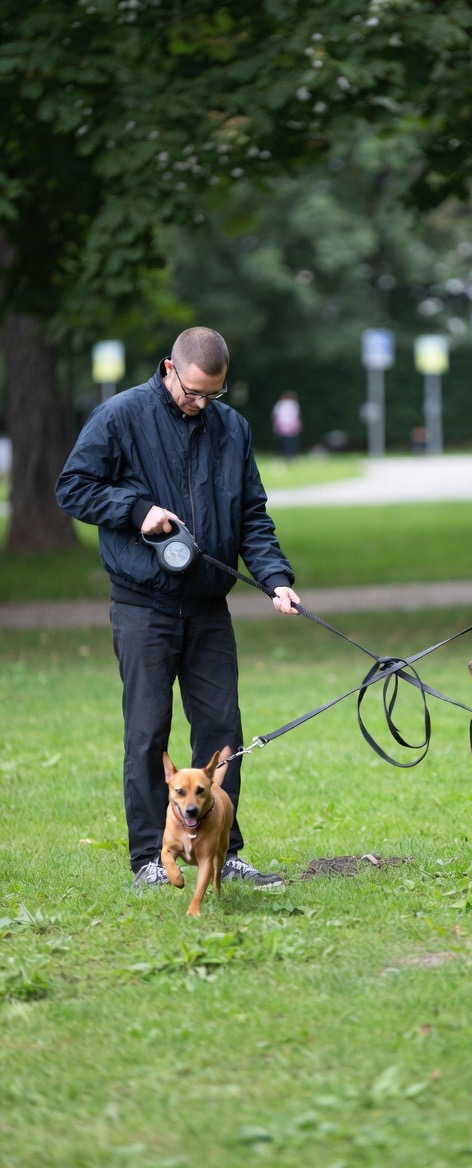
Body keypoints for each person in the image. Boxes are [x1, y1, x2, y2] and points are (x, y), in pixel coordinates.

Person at [56, 327, 301, 889]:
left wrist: (275, 578)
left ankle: (223, 852)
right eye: (193, 392)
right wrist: (133, 508)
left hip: (209, 609)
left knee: (222, 733)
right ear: (169, 368)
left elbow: (252, 515)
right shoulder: (120, 417)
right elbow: (72, 487)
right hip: (143, 606)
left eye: (213, 394)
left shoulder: (232, 428)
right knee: (148, 733)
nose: (202, 404)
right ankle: (151, 856)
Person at [271, 391, 302, 460]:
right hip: (291, 426)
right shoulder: (293, 404)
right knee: (291, 441)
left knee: (284, 441)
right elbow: (296, 415)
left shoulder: (280, 404)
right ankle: (291, 455)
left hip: (281, 425)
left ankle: (285, 454)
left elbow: (274, 415)